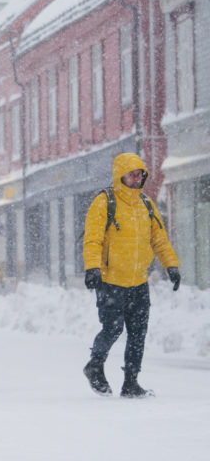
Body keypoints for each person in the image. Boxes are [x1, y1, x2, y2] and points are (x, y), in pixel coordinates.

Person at [82, 152, 180, 398]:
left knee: (138, 332)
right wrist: (92, 267)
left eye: (140, 175)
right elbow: (92, 239)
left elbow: (160, 240)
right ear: (120, 175)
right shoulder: (104, 202)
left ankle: (131, 382)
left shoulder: (146, 204)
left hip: (138, 280)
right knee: (113, 328)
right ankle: (95, 365)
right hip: (110, 280)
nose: (137, 180)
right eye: (132, 175)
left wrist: (172, 266)